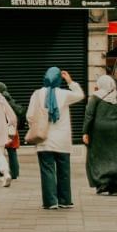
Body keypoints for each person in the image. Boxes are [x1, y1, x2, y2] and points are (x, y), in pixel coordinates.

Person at [29, 67, 85, 210]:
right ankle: (65, 201)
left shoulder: (37, 94)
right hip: (62, 140)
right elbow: (80, 95)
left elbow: (30, 115)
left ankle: (50, 202)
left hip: (44, 139)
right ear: (59, 79)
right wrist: (70, 81)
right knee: (64, 170)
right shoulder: (64, 94)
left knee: (47, 170)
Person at [83, 74, 117, 196]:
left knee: (97, 156)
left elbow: (89, 116)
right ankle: (114, 186)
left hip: (99, 130)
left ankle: (101, 183)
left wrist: (85, 132)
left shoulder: (95, 97)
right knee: (116, 156)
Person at [0, 82, 24, 180]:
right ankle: (14, 174)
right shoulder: (11, 100)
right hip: (12, 129)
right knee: (12, 153)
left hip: (1, 129)